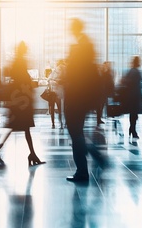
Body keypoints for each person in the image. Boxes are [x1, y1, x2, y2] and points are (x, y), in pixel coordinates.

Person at [0, 41, 45, 166]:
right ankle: (30, 154)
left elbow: (16, 80)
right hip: (22, 102)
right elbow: (23, 81)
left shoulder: (17, 62)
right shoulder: (20, 62)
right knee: (22, 127)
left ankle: (31, 153)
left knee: (16, 127)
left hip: (19, 101)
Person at [63, 18, 101, 182]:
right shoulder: (86, 44)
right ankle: (90, 160)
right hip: (82, 97)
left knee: (75, 132)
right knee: (77, 132)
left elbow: (77, 73)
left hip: (76, 97)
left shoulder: (80, 47)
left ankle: (83, 170)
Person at [122, 56, 142, 138]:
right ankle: (133, 130)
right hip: (134, 97)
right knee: (134, 114)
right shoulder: (136, 72)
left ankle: (132, 129)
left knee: (133, 114)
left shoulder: (131, 71)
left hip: (131, 96)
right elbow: (136, 85)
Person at [48, 59, 65, 129]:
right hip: (57, 93)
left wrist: (55, 82)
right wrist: (57, 82)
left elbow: (49, 80)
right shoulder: (62, 71)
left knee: (53, 108)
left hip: (53, 92)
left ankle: (54, 123)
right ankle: (60, 123)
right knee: (59, 108)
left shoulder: (55, 71)